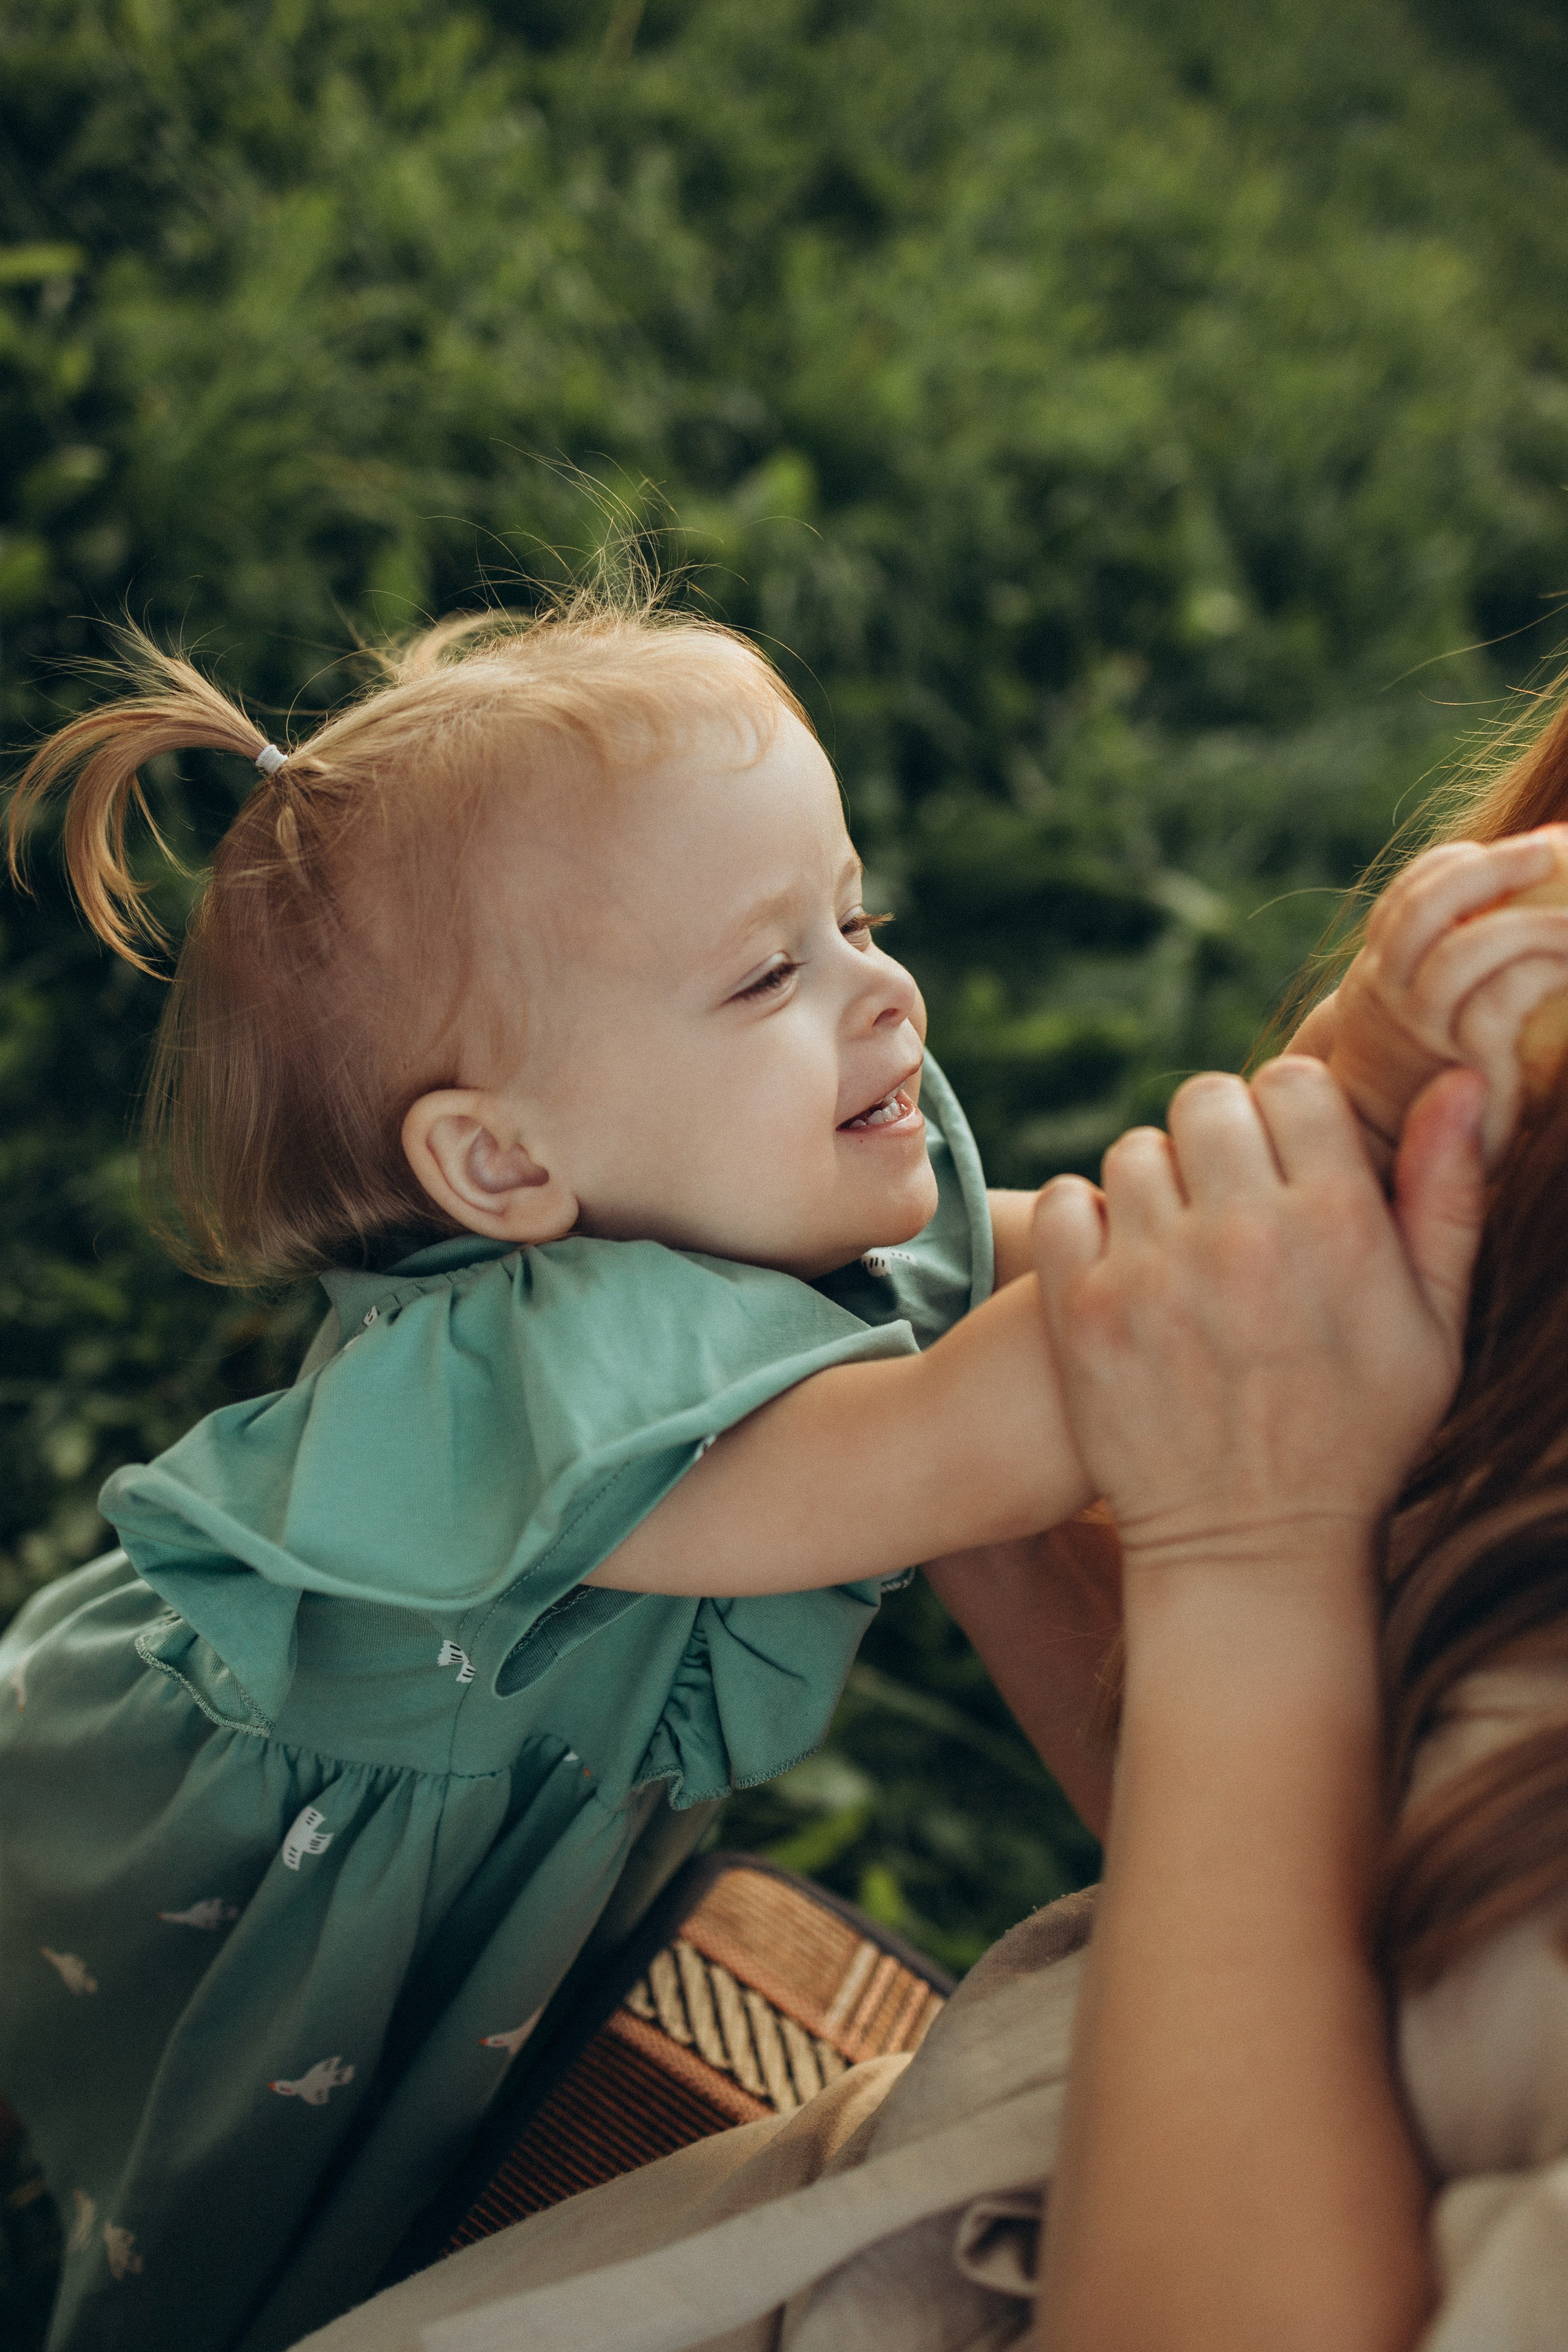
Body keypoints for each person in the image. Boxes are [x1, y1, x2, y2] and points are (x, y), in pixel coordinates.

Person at [1, 593, 1563, 2352]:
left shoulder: (748, 1176)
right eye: (769, 973)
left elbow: (1108, 1262)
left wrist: (1291, 1175)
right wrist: (1355, 1098)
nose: (883, 987)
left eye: (855, 914)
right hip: (235, 1878)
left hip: (479, 1825)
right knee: (245, 2220)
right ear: (502, 1164)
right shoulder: (545, 1402)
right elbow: (1035, 1402)